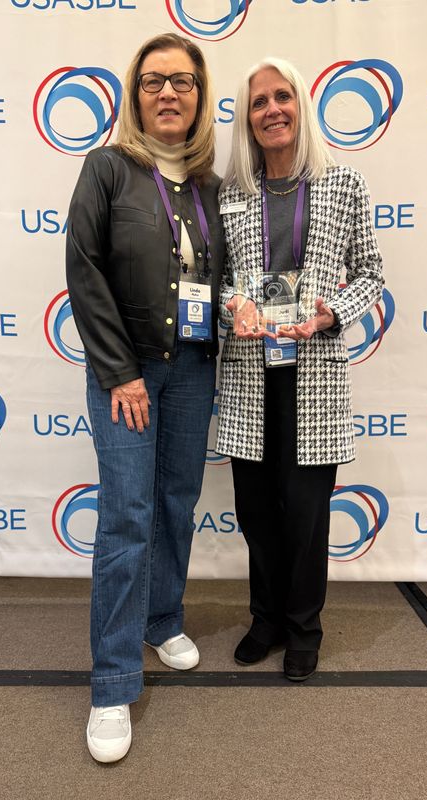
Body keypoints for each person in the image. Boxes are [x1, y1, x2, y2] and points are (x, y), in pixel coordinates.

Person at [66, 33, 224, 763]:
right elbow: (84, 270)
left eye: (183, 82)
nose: (169, 92)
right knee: (127, 516)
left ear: (199, 96)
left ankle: (162, 622)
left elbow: (220, 283)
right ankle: (112, 682)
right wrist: (119, 371)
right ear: (135, 93)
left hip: (191, 370)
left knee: (173, 504)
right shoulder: (107, 168)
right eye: (155, 80)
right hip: (127, 372)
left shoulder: (211, 187)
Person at [216, 57, 383, 682]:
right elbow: (218, 278)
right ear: (248, 118)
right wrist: (236, 304)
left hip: (313, 372)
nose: (271, 110)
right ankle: (266, 620)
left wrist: (328, 314)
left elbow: (371, 273)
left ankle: (305, 626)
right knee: (257, 509)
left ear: (301, 105)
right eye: (258, 102)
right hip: (248, 373)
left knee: (308, 515)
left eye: (282, 97)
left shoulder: (343, 184)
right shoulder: (231, 192)